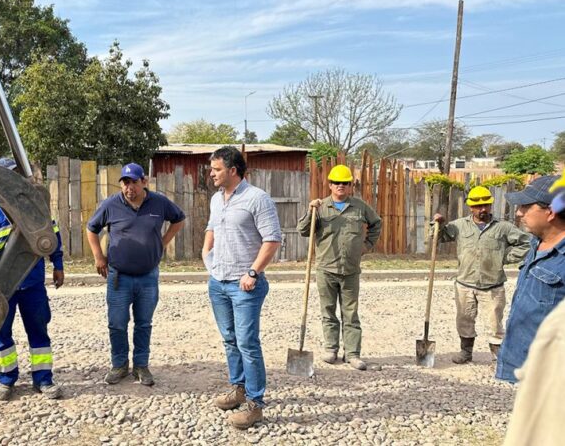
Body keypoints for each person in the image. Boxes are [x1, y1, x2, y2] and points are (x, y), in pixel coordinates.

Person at [0, 157, 65, 401]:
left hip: (32, 283)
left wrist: (58, 266)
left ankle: (43, 379)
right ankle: (5, 379)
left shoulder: (34, 206)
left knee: (38, 331)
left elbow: (51, 237)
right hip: (0, 285)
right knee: (2, 334)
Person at [202, 146, 281, 430]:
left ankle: (255, 404)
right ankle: (238, 389)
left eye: (216, 169)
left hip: (244, 285)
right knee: (230, 339)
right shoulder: (216, 199)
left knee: (248, 343)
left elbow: (272, 240)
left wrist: (253, 272)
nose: (211, 174)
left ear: (233, 170)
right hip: (218, 282)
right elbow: (212, 228)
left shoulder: (257, 199)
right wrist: (206, 253)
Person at [86, 162, 185, 387]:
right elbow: (91, 228)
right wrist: (98, 257)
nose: (129, 188)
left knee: (144, 323)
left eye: (134, 182)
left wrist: (163, 243)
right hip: (119, 277)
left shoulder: (159, 202)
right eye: (125, 183)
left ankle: (141, 366)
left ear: (144, 182)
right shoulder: (111, 204)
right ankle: (119, 365)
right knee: (117, 324)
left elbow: (179, 219)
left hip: (148, 276)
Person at [296, 164, 381, 371]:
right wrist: (310, 211)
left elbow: (376, 223)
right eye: (337, 183)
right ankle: (331, 349)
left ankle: (352, 354)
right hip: (326, 268)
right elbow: (303, 231)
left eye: (345, 183)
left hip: (351, 269)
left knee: (350, 313)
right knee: (328, 311)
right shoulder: (320, 207)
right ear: (330, 184)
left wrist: (366, 246)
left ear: (350, 185)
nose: (340, 186)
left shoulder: (360, 207)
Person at [432, 186, 530, 364]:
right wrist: (439, 224)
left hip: (492, 285)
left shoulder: (503, 228)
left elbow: (526, 244)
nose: (482, 209)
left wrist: (505, 257)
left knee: (494, 323)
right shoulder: (459, 226)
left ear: (490, 206)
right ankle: (466, 352)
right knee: (464, 319)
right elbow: (436, 238)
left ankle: (498, 355)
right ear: (471, 207)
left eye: (486, 205)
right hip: (465, 284)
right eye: (478, 206)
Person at [502, 172, 565, 445]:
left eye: (526, 207)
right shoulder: (536, 243)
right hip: (528, 362)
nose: (518, 213)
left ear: (551, 211)